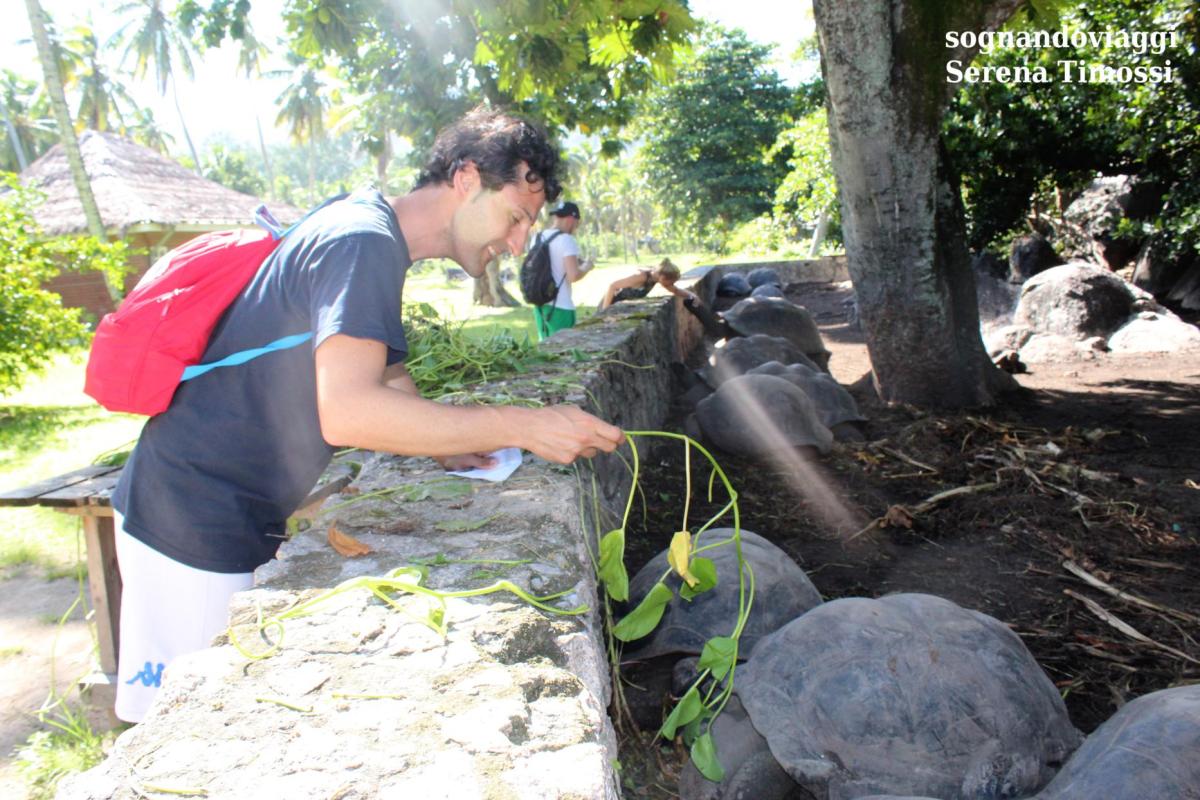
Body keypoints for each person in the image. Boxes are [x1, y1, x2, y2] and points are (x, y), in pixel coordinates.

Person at [109, 108, 624, 723]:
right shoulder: (362, 242)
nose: (518, 244)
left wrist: (443, 444)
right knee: (184, 733)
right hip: (189, 520)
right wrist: (521, 424)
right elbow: (348, 412)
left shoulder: (368, 229)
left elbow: (383, 377)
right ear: (465, 179)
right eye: (515, 217)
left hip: (221, 508)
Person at [530, 201, 592, 340]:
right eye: (577, 223)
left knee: (546, 351)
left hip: (540, 306)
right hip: (561, 306)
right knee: (565, 351)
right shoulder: (567, 240)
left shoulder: (537, 238)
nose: (576, 227)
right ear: (572, 219)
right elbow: (573, 275)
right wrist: (587, 267)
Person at [599, 258, 699, 310]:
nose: (671, 285)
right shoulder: (641, 276)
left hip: (620, 308)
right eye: (671, 282)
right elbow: (612, 286)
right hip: (609, 302)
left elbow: (676, 290)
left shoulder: (656, 278)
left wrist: (692, 295)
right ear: (663, 277)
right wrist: (604, 311)